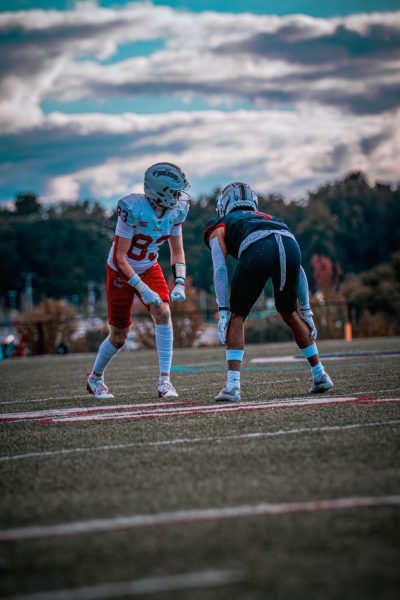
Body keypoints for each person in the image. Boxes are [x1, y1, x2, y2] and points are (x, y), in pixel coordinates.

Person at [203, 181, 333, 403]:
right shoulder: (272, 218)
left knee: (238, 316)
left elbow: (220, 267)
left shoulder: (220, 224)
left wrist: (223, 310)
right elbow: (299, 269)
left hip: (258, 248)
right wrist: (307, 311)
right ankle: (320, 374)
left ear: (224, 204)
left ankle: (232, 386)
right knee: (290, 313)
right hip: (289, 244)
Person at [87, 162, 190, 400]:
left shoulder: (176, 211)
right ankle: (95, 379)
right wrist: (142, 289)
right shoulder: (133, 208)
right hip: (121, 270)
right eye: (174, 191)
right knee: (119, 336)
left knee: (163, 313)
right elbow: (119, 257)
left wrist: (181, 281)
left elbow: (177, 250)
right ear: (160, 191)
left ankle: (165, 381)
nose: (179, 196)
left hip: (149, 266)